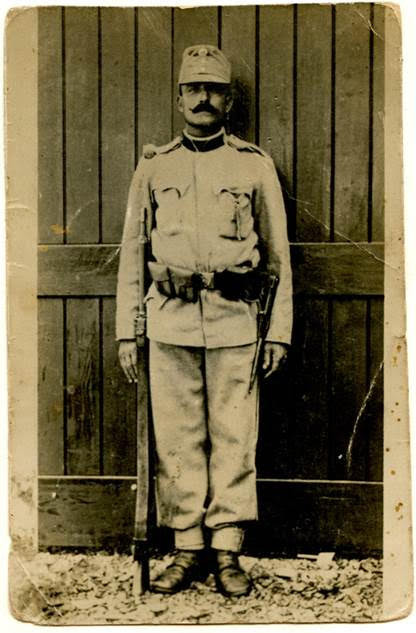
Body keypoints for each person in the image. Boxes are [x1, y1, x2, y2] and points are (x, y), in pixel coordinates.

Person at [116, 45, 292, 597]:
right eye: (193, 88)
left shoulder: (252, 166)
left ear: (229, 100)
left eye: (214, 89)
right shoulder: (154, 166)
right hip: (169, 325)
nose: (203, 99)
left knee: (235, 437)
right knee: (178, 439)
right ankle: (187, 547)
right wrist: (127, 330)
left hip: (237, 322)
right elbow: (132, 255)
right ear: (179, 98)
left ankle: (227, 551)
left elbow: (278, 258)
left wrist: (278, 331)